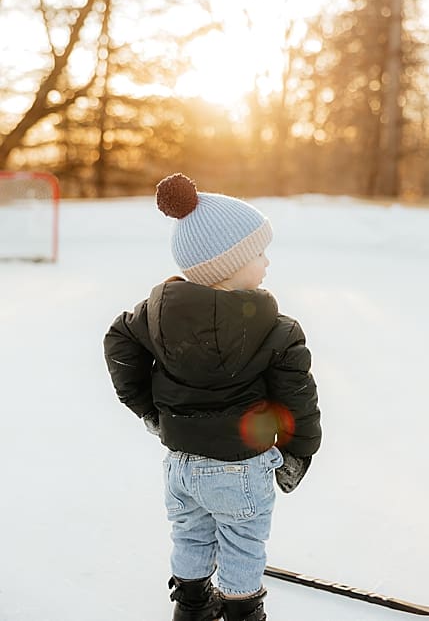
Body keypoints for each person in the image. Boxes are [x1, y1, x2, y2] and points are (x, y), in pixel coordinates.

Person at [103, 172, 321, 621]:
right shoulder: (279, 330)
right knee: (242, 542)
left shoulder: (155, 315)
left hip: (181, 463)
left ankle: (192, 605)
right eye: (258, 252)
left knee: (190, 534)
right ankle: (243, 612)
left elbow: (118, 340)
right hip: (242, 465)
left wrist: (148, 408)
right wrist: (298, 451)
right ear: (230, 265)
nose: (266, 262)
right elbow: (297, 396)